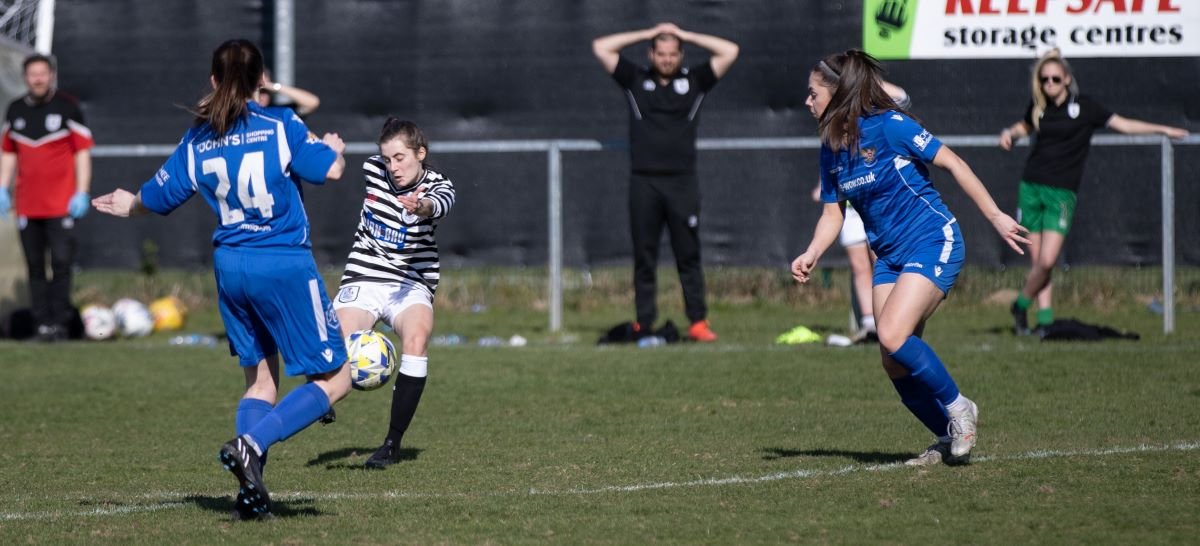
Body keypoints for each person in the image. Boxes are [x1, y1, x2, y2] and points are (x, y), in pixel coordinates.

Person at [91, 39, 349, 520]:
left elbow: (157, 197)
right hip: (282, 263)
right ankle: (250, 444)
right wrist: (333, 149)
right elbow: (328, 172)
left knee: (261, 381)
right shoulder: (281, 123)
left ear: (213, 81)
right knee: (337, 377)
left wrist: (129, 204)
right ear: (262, 81)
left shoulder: (198, 137)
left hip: (231, 268)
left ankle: (249, 497)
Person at [792, 49, 1029, 465]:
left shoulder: (889, 127)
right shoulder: (831, 148)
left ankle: (959, 408)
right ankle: (944, 437)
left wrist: (995, 215)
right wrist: (812, 251)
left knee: (892, 335)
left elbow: (952, 162)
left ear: (838, 91)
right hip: (890, 256)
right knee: (892, 360)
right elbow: (833, 212)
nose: (807, 101)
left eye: (813, 94)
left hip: (933, 240)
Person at [999, 48, 1188, 335]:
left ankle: (1020, 304)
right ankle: (1045, 322)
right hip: (1031, 186)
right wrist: (1010, 133)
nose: (1049, 84)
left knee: (1048, 261)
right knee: (1037, 262)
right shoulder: (1039, 107)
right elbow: (1024, 126)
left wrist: (1164, 130)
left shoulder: (1086, 108)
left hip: (1061, 193)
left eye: (1055, 79)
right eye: (1044, 79)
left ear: (1067, 79)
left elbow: (1124, 125)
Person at [592, 22, 739, 342]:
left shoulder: (695, 81)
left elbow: (730, 51)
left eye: (673, 54)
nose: (667, 59)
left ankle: (698, 322)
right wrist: (646, 32)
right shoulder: (635, 79)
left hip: (682, 183)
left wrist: (686, 34)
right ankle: (644, 322)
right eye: (661, 53)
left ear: (681, 55)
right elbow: (601, 47)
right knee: (644, 256)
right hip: (644, 182)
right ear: (651, 54)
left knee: (688, 254)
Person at [332, 118, 456, 469]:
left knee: (416, 340)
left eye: (400, 158)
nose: (393, 166)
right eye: (387, 159)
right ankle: (323, 399)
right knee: (335, 339)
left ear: (421, 153)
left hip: (410, 282)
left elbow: (440, 204)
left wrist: (421, 207)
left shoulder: (438, 186)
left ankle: (391, 444)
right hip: (366, 276)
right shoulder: (373, 170)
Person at [808, 80, 911, 342]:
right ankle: (870, 325)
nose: (809, 102)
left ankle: (888, 319)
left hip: (875, 205)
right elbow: (836, 165)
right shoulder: (831, 134)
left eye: (814, 94)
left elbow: (902, 97)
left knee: (881, 260)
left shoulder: (875, 119)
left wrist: (863, 81)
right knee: (859, 265)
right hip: (851, 207)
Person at [0, 53, 93, 342]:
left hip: (61, 204)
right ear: (25, 78)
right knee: (35, 266)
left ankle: (61, 324)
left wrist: (82, 192)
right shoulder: (15, 110)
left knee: (62, 264)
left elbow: (82, 153)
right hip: (28, 205)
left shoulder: (68, 108)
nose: (38, 79)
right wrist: (3, 188)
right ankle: (41, 325)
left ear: (51, 75)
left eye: (43, 73)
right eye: (32, 74)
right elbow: (8, 153)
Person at [254, 71, 320, 117]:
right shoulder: (245, 115)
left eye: (265, 91)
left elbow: (313, 102)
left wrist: (270, 86)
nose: (260, 96)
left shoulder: (281, 113)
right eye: (257, 91)